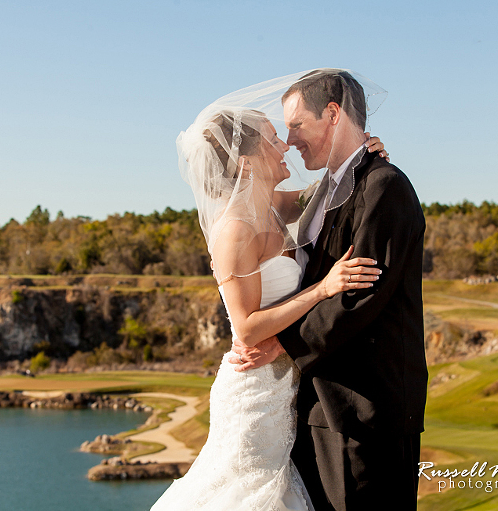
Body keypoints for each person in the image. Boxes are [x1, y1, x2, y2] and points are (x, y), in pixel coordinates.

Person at [151, 89, 385, 510]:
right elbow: (246, 327)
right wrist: (323, 288)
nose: (286, 146)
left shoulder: (275, 206)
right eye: (273, 139)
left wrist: (364, 156)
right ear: (245, 160)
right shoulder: (235, 230)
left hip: (288, 380)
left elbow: (332, 190)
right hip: (256, 389)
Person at [231, 69, 428, 510]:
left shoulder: (385, 186)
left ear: (333, 113)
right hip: (315, 407)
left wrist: (281, 343)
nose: (290, 139)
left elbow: (360, 297)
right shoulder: (324, 192)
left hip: (364, 411)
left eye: (297, 125)